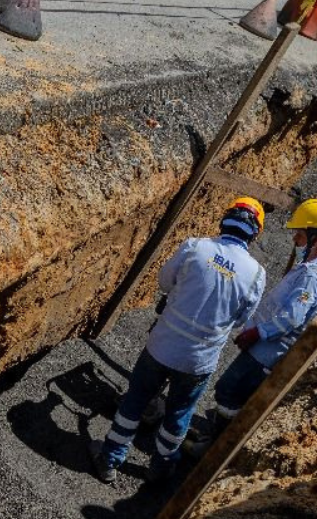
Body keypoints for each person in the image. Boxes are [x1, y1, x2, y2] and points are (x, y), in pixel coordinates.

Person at [89, 197, 267, 483]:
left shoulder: (196, 246)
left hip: (162, 346)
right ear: (255, 232)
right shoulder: (256, 274)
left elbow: (164, 282)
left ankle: (109, 459)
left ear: (226, 219)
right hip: (199, 360)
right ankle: (160, 471)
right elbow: (240, 320)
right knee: (178, 416)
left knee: (135, 401)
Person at [184, 198, 317, 457]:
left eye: (300, 236)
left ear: (316, 238)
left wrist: (258, 332)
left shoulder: (314, 275)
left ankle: (214, 450)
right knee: (233, 393)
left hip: (269, 350)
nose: (295, 240)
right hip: (268, 346)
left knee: (229, 391)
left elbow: (294, 316)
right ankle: (214, 437)